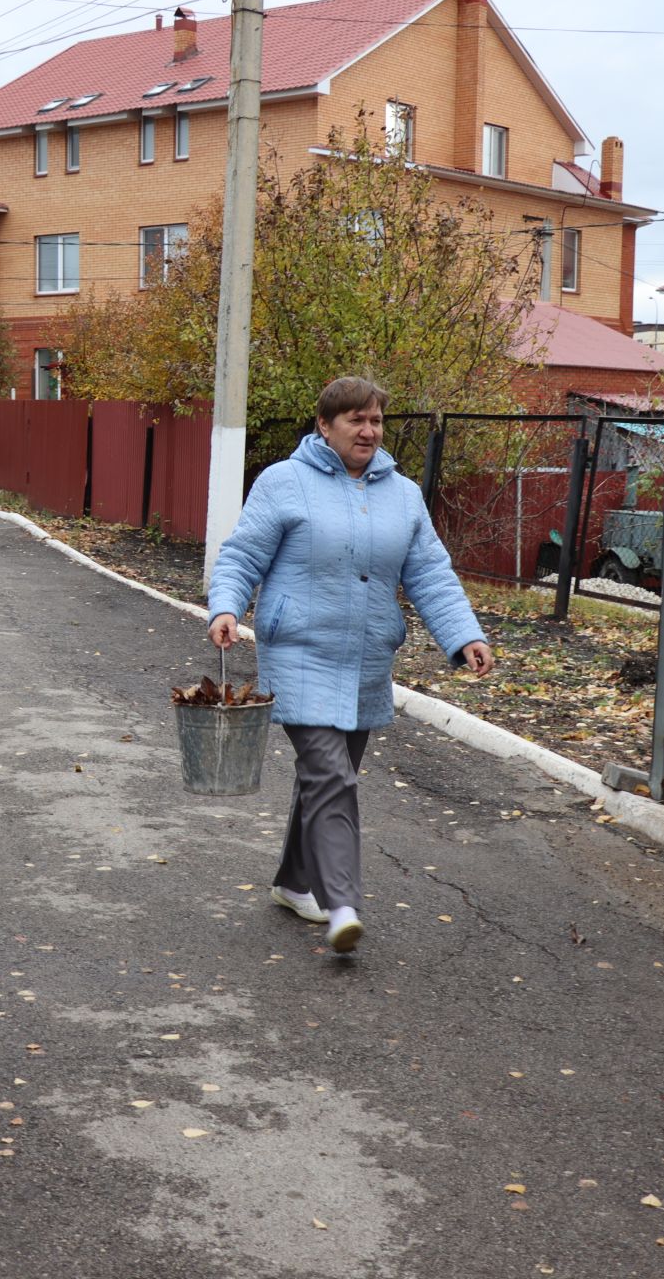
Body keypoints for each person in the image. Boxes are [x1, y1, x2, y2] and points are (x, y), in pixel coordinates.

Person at [206, 376, 495, 955]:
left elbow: (430, 573)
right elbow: (242, 554)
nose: (369, 431)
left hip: (365, 659)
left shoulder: (403, 495)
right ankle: (342, 905)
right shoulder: (284, 483)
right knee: (332, 776)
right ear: (324, 426)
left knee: (325, 780)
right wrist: (227, 607)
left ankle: (294, 881)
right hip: (298, 653)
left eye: (376, 421)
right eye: (355, 420)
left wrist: (464, 636)